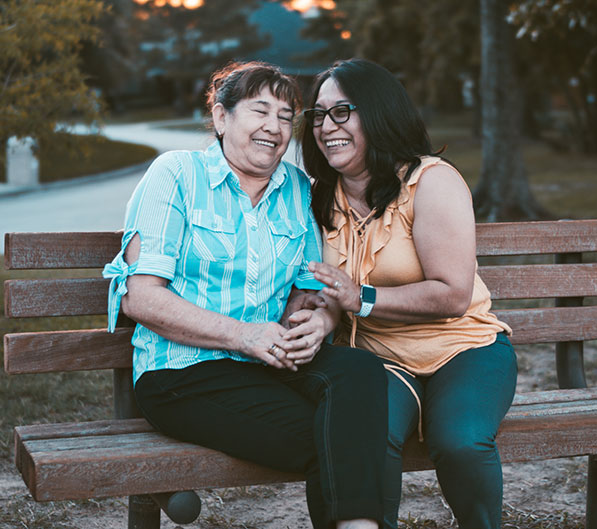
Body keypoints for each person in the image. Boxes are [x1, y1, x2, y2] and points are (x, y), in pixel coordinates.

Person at [102, 61, 387, 529]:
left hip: (267, 365)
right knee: (338, 438)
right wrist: (242, 335)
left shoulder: (297, 189)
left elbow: (308, 288)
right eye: (260, 111)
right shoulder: (176, 175)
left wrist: (315, 320)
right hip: (181, 375)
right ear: (221, 118)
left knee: (359, 370)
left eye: (284, 115)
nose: (274, 128)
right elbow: (140, 297)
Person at [299, 58, 518, 529]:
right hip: (377, 359)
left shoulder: (430, 181)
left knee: (460, 440)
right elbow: (326, 291)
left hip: (464, 350)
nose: (326, 126)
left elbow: (453, 294)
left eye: (342, 112)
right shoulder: (318, 196)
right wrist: (317, 315)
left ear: (377, 113)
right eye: (318, 114)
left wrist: (363, 298)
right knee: (360, 441)